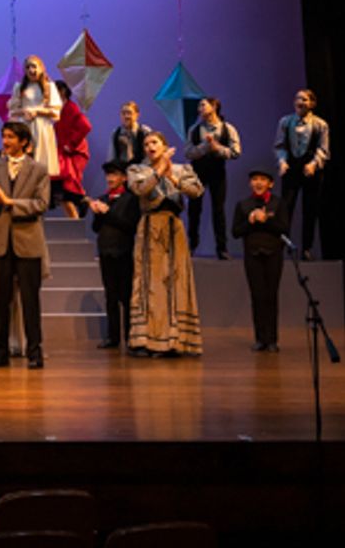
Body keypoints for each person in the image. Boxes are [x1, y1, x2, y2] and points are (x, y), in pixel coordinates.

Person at [126, 132, 205, 357]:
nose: (150, 146)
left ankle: (177, 340)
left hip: (174, 226)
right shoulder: (137, 170)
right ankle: (149, 339)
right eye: (146, 144)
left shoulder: (181, 169)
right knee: (150, 282)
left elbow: (197, 191)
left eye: (154, 142)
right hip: (150, 226)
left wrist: (172, 177)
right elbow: (141, 190)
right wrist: (159, 170)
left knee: (176, 280)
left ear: (165, 145)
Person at [0, 120, 51, 369]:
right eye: (4, 136)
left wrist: (11, 203)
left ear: (24, 142)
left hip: (28, 242)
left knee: (30, 300)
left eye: (11, 137)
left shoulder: (39, 169)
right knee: (0, 301)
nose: (6, 141)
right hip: (1, 243)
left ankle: (35, 352)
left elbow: (41, 204)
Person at [233, 166, 290, 353]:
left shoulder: (279, 203)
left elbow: (284, 228)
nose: (258, 183)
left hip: (274, 255)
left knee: (271, 296)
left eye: (262, 179)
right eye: (254, 179)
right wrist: (250, 221)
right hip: (252, 255)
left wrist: (266, 220)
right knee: (257, 296)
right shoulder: (243, 205)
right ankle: (260, 339)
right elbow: (235, 232)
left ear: (270, 184)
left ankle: (272, 339)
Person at [87, 161, 139, 350]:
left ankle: (130, 336)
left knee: (125, 296)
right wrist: (98, 214)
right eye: (108, 175)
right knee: (110, 295)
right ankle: (113, 337)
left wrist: (108, 213)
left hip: (123, 251)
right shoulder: (104, 198)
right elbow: (95, 228)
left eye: (114, 175)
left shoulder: (131, 199)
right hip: (106, 251)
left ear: (124, 178)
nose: (109, 179)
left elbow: (130, 225)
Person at [274, 89, 329, 260]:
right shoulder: (285, 122)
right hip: (291, 168)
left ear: (312, 104)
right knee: (286, 208)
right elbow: (280, 145)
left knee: (309, 209)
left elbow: (323, 150)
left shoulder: (320, 124)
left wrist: (314, 164)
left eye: (304, 99)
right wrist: (282, 162)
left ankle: (307, 247)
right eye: (297, 98)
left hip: (310, 169)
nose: (300, 102)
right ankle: (283, 246)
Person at [185, 97, 242, 258]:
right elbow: (188, 152)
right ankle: (191, 245)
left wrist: (217, 148)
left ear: (214, 106)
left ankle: (222, 248)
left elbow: (236, 152)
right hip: (197, 173)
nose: (200, 109)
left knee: (218, 210)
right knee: (194, 210)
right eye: (199, 106)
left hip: (217, 172)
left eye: (203, 105)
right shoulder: (194, 130)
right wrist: (204, 147)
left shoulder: (227, 128)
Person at [5, 55, 61, 183]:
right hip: (25, 126)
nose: (31, 70)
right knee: (24, 160)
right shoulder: (20, 88)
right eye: (28, 67)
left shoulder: (49, 87)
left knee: (41, 163)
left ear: (41, 68)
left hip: (42, 127)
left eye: (34, 66)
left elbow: (55, 113)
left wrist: (38, 111)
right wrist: (25, 111)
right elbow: (13, 111)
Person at [53, 80, 91, 218]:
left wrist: (71, 144)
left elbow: (85, 126)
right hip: (65, 152)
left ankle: (81, 201)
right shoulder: (58, 109)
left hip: (75, 152)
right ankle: (80, 205)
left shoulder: (70, 108)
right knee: (65, 189)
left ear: (62, 92)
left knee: (69, 184)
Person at [107, 101, 151, 169]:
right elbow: (112, 157)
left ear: (137, 115)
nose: (126, 116)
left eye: (129, 113)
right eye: (123, 113)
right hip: (123, 172)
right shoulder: (116, 133)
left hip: (143, 172)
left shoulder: (145, 132)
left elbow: (150, 156)